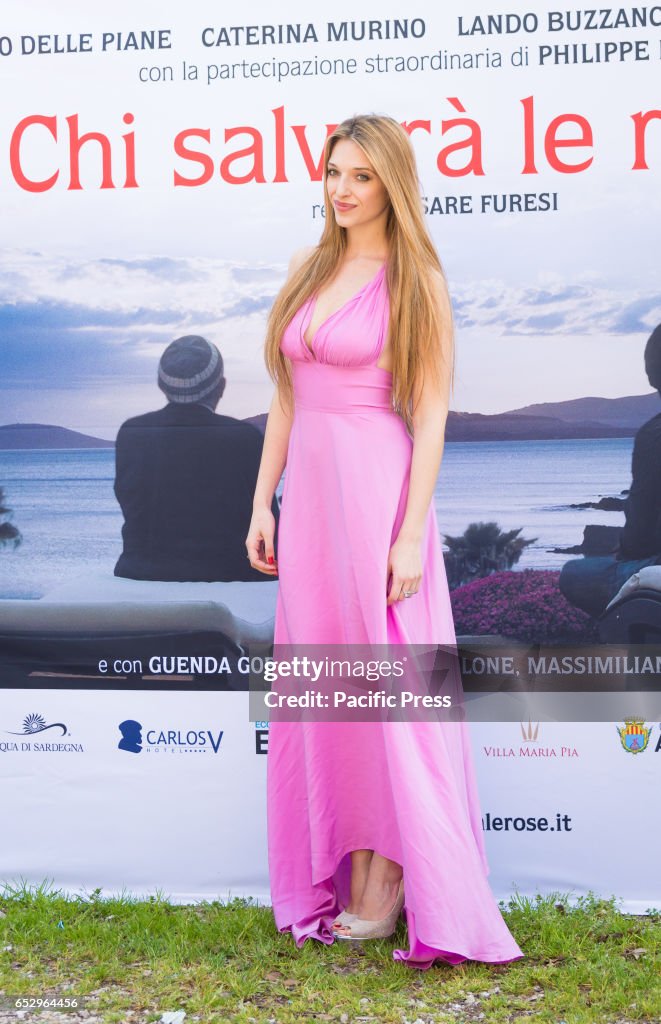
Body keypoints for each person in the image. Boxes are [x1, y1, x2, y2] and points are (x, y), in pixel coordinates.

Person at [246, 114, 523, 968]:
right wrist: (263, 502)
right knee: (331, 687)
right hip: (314, 507)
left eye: (361, 176)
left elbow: (430, 417)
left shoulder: (418, 280)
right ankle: (351, 860)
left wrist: (409, 537)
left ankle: (398, 870)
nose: (341, 189)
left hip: (379, 498)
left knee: (396, 689)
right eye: (334, 172)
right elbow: (287, 400)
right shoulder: (307, 268)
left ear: (390, 183)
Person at [114, 334, 278, 583]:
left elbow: (131, 503)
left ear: (161, 384)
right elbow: (268, 521)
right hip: (234, 576)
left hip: (141, 574)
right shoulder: (244, 438)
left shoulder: (132, 434)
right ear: (220, 387)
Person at [559, 323, 661, 618]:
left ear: (652, 374)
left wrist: (627, 552)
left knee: (575, 573)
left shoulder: (653, 434)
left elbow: (640, 524)